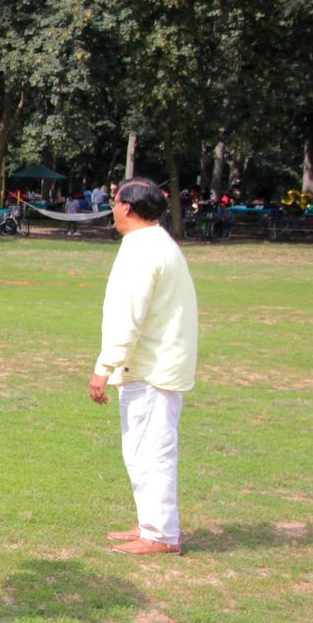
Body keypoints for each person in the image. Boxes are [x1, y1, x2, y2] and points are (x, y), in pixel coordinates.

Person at [89, 177, 198, 556]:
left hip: (153, 367)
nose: (113, 209)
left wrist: (104, 367)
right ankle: (150, 523)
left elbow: (128, 316)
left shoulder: (143, 249)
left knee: (152, 451)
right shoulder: (151, 243)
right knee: (139, 450)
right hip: (150, 365)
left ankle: (162, 535)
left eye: (116, 202)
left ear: (128, 208)